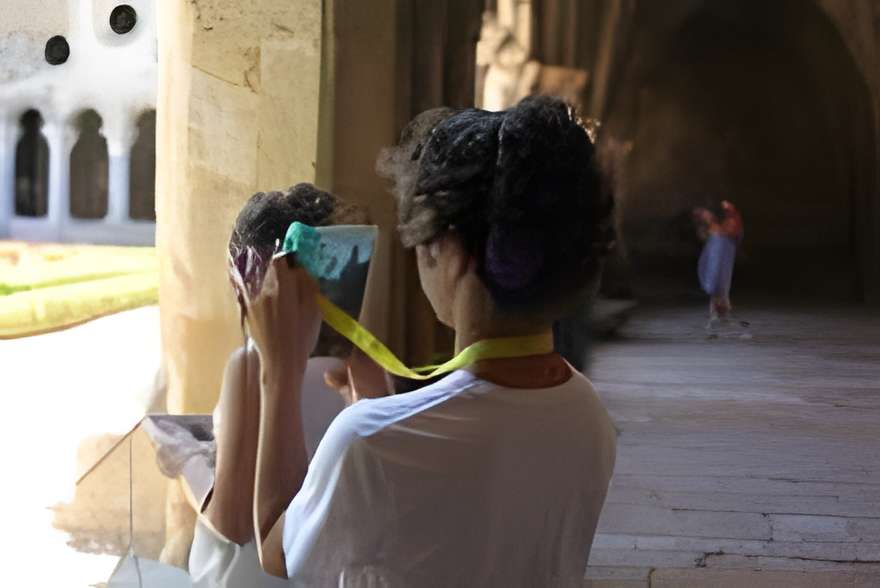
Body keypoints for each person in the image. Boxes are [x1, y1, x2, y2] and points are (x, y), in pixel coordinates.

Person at [190, 97, 618, 587]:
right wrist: (377, 409)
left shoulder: (369, 441)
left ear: (450, 250)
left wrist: (279, 372)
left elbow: (275, 551)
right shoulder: (589, 416)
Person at [693, 200, 744, 327]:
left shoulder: (728, 222)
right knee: (716, 281)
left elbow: (733, 233)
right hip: (717, 252)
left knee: (721, 282)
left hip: (723, 252)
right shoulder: (713, 228)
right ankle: (717, 313)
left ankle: (719, 313)